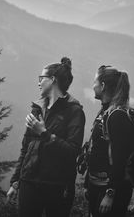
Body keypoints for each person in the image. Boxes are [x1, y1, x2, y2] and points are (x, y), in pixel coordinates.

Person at [7, 57, 85, 217]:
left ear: (53, 79)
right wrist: (15, 182)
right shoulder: (37, 108)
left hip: (57, 186)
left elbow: (72, 151)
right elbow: (26, 147)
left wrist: (44, 133)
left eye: (41, 78)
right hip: (29, 182)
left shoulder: (74, 111)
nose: (38, 83)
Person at [85, 65, 134, 217]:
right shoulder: (106, 111)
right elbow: (99, 151)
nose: (93, 86)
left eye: (95, 82)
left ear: (103, 86)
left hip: (108, 190)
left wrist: (110, 194)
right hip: (98, 186)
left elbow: (120, 158)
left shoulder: (117, 116)